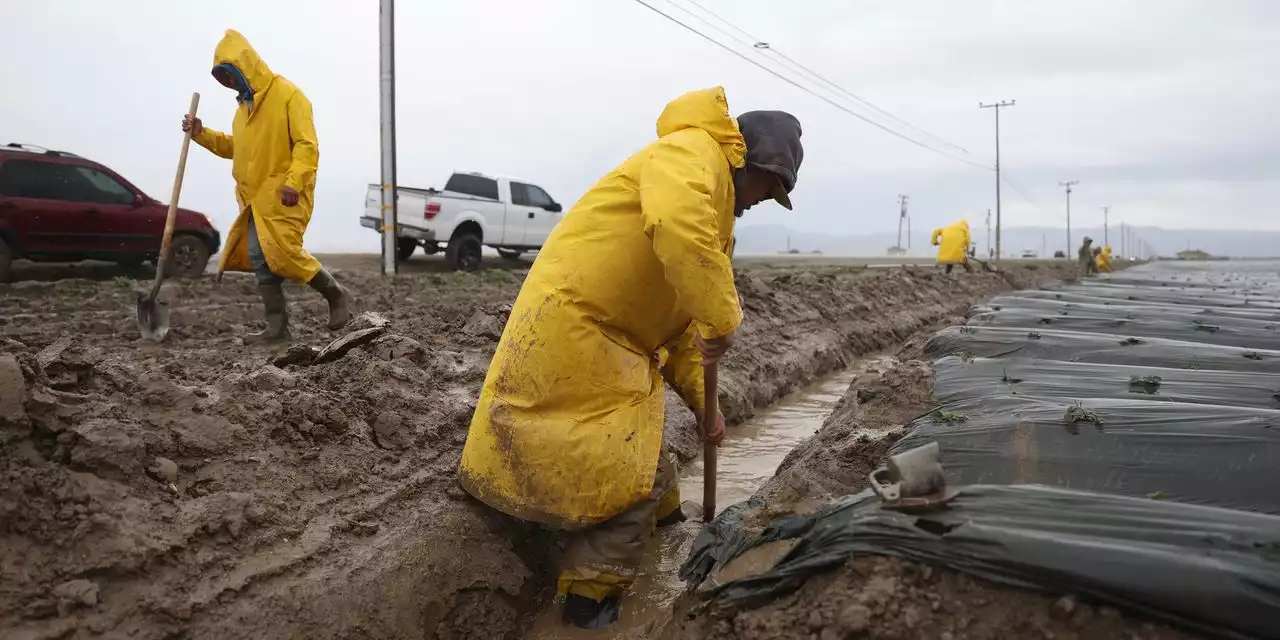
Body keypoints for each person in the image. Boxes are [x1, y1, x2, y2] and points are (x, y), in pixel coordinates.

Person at [457, 86, 802, 629]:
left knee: (650, 468)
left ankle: (672, 541)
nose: (765, 199)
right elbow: (676, 230)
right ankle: (589, 605)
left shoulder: (715, 207)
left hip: (612, 344)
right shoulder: (693, 154)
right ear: (748, 161)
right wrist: (724, 314)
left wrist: (703, 408)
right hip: (580, 335)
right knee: (625, 493)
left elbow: (686, 331)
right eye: (771, 186)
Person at [182, 29, 352, 341]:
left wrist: (294, 182)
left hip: (285, 195)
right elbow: (237, 147)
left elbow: (307, 145)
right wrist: (201, 133)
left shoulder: (289, 95)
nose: (230, 83)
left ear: (245, 67)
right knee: (262, 259)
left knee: (285, 253)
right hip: (253, 201)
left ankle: (336, 294)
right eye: (224, 79)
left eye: (231, 75)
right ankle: (277, 327)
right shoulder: (242, 112)